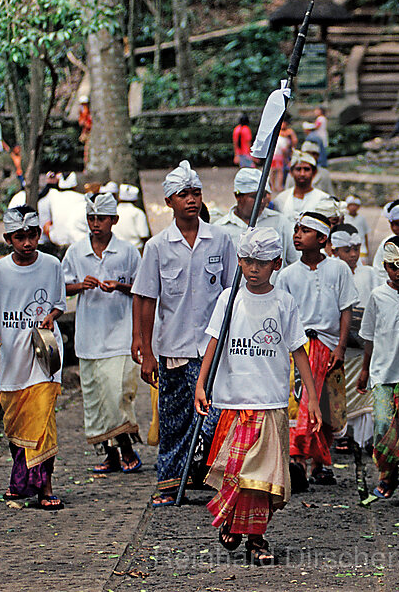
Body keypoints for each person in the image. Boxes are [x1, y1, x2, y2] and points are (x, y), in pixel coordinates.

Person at [195, 226, 321, 565]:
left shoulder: (284, 302)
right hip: (235, 402)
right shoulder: (228, 298)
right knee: (237, 472)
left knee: (262, 478)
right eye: (248, 261)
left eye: (262, 262)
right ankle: (235, 520)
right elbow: (213, 342)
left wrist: (312, 398)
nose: (254, 269)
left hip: (270, 402)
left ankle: (256, 538)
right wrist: (201, 383)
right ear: (239, 261)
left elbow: (298, 351)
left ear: (277, 263)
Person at [132, 160, 237, 506]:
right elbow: (146, 298)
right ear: (169, 202)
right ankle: (170, 483)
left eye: (195, 193)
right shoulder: (158, 247)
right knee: (175, 419)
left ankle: (215, 477)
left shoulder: (220, 240)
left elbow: (232, 294)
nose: (191, 200)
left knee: (217, 417)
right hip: (175, 346)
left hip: (214, 349)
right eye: (183, 195)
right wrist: (145, 349)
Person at [0, 206, 66, 510]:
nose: (27, 243)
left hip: (44, 359)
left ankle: (46, 488)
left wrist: (51, 316)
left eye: (32, 236)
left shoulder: (52, 265)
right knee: (16, 424)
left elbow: (58, 303)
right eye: (20, 237)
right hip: (10, 360)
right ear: (8, 238)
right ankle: (22, 480)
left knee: (43, 423)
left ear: (39, 235)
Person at [275, 211, 359, 487]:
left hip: (329, 346)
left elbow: (345, 309)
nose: (297, 235)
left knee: (327, 407)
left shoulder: (338, 269)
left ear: (322, 238)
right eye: (296, 229)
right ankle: (297, 462)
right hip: (299, 347)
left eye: (305, 231)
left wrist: (340, 348)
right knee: (300, 405)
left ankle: (321, 464)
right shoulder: (287, 275)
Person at [62, 193, 142, 474]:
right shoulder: (75, 252)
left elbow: (142, 289)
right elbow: (61, 287)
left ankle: (128, 448)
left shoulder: (129, 252)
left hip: (120, 334)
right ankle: (110, 453)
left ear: (114, 221)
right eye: (92, 219)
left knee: (118, 392)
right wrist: (81, 286)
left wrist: (119, 287)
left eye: (102, 219)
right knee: (96, 398)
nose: (96, 224)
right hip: (89, 336)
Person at [356, 235, 399, 507]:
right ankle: (388, 475)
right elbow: (369, 336)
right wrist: (364, 371)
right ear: (385, 267)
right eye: (394, 267)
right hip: (383, 374)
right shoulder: (377, 296)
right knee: (384, 426)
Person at [329, 224, 375, 452]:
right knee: (339, 388)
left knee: (363, 389)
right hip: (339, 341)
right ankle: (342, 435)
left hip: (363, 342)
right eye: (347, 250)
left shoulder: (369, 273)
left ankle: (363, 438)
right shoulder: (333, 271)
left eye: (356, 248)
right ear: (335, 250)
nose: (354, 254)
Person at [213, 167, 298, 266]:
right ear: (238, 196)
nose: (261, 201)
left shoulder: (280, 222)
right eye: (254, 197)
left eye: (264, 196)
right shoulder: (220, 229)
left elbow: (294, 261)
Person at [272, 150, 329, 223]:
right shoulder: (281, 199)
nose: (302, 174)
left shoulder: (323, 199)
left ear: (314, 173)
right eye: (298, 169)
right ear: (291, 172)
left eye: (306, 169)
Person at [47, 172, 89, 247]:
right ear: (75, 186)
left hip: (57, 241)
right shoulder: (82, 198)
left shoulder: (53, 196)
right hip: (76, 242)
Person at [114, 184, 151, 252]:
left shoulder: (113, 211)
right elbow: (144, 235)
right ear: (135, 200)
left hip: (115, 249)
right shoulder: (138, 212)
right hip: (135, 249)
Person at [78, 96, 93, 166]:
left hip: (91, 133)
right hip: (86, 133)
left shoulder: (90, 113)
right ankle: (86, 165)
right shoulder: (82, 112)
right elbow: (81, 122)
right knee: (86, 151)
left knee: (89, 150)